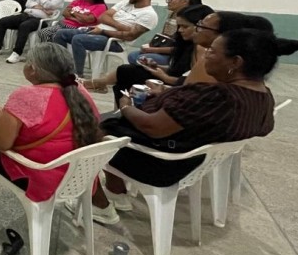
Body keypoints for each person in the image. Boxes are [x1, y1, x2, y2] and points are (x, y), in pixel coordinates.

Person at [84, 29, 296, 224]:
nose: (205, 57)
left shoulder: (216, 96)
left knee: (83, 131)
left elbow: (152, 127)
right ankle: (116, 191)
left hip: (160, 165)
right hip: (191, 157)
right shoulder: (262, 96)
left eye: (212, 51)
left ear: (235, 62)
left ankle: (100, 205)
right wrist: (167, 95)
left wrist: (126, 105)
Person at [0, 43, 102, 202]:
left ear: (32, 69)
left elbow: (1, 144)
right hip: (80, 175)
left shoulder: (27, 96)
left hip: (43, 178)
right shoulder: (78, 89)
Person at [81, 5, 214, 105]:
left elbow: (192, 84)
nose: (180, 30)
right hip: (174, 79)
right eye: (179, 26)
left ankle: (122, 105)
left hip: (179, 87)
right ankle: (112, 96)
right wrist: (157, 67)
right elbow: (181, 70)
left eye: (185, 27)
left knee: (128, 71)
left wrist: (164, 77)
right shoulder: (187, 44)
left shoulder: (203, 50)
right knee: (128, 70)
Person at [53, 0, 159, 78]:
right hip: (97, 30)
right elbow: (102, 17)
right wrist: (121, 26)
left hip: (115, 41)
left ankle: (77, 74)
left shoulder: (149, 14)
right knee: (61, 34)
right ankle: (63, 67)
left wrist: (103, 31)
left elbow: (130, 36)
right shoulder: (124, 3)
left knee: (78, 39)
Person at [183, 11, 273, 85]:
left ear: (223, 35)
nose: (196, 29)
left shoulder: (211, 63)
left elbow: (185, 97)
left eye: (202, 26)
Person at [128, 0, 203, 66]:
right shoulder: (171, 14)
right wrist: (151, 45)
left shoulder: (191, 19)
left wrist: (154, 50)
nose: (168, 2)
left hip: (176, 55)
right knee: (132, 56)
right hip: (164, 50)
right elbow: (163, 36)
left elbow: (180, 48)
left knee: (141, 58)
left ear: (185, 1)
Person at [36, 0, 107, 44]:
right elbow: (65, 13)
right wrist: (77, 18)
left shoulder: (100, 6)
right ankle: (46, 54)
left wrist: (73, 12)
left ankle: (59, 56)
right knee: (43, 33)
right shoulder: (79, 1)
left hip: (77, 28)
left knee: (56, 35)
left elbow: (87, 19)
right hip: (62, 24)